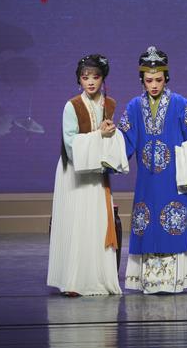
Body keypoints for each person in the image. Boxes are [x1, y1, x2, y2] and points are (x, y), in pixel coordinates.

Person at [118, 46, 187, 294]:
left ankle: (174, 282)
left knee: (172, 223)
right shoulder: (134, 107)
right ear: (142, 79)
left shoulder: (180, 104)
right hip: (147, 181)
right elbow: (124, 139)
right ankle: (148, 281)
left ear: (166, 78)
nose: (154, 85)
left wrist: (186, 157)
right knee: (147, 222)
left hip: (173, 180)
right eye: (148, 80)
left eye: (158, 80)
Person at [48, 54, 129, 296]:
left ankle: (99, 278)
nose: (90, 82)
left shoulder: (109, 104)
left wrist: (111, 134)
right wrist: (99, 135)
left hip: (97, 172)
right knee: (77, 223)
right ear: (79, 80)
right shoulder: (71, 106)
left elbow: (109, 139)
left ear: (103, 78)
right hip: (74, 172)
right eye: (85, 77)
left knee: (96, 223)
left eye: (96, 77)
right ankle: (73, 281)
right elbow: (70, 144)